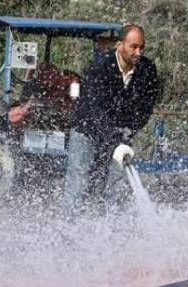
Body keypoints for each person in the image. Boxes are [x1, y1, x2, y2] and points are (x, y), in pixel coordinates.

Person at [61, 23, 160, 213]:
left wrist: (129, 131)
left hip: (120, 134)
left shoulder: (147, 69)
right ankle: (68, 224)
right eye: (133, 47)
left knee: (116, 184)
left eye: (142, 47)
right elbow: (95, 110)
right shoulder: (99, 68)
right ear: (119, 45)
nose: (138, 52)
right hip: (87, 130)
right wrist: (114, 140)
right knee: (79, 182)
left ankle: (108, 226)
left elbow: (146, 107)